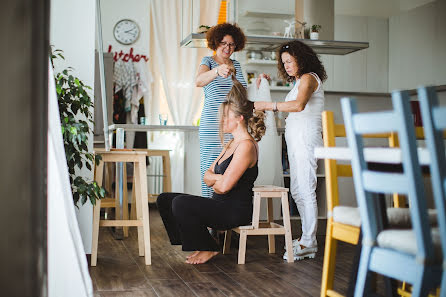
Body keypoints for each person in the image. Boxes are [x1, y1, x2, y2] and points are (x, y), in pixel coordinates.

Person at [157, 74, 266, 264]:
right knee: (165, 199)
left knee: (180, 203)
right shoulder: (231, 143)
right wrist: (218, 179)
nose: (222, 120)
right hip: (219, 205)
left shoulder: (246, 146)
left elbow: (223, 187)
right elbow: (207, 175)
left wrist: (216, 180)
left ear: (240, 118)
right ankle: (202, 243)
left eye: (226, 116)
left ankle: (209, 247)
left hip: (233, 211)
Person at [254, 40, 327, 261]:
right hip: (296, 141)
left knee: (306, 189)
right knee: (297, 190)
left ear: (301, 59)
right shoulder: (297, 83)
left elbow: (298, 106)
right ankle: (307, 239)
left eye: (289, 61)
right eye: (283, 62)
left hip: (306, 140)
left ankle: (309, 240)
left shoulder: (309, 78)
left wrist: (268, 105)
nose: (286, 65)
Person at [195, 22, 247, 198]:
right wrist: (217, 71)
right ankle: (209, 219)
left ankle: (224, 218)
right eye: (223, 43)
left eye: (231, 44)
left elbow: (242, 94)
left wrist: (258, 84)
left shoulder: (237, 66)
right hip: (211, 126)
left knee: (230, 172)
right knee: (210, 170)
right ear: (215, 43)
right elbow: (199, 81)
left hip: (232, 128)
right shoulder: (208, 62)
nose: (227, 47)